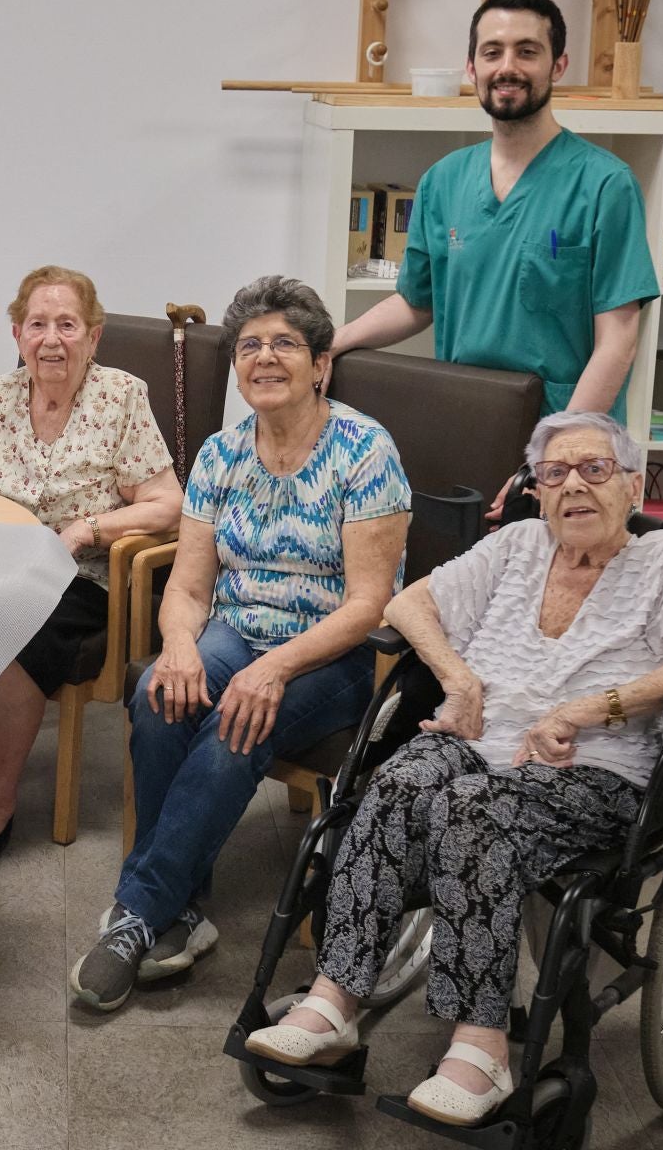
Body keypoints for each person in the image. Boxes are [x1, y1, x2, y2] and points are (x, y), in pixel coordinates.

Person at [244, 411, 663, 1127]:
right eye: (554, 473)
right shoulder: (517, 544)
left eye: (595, 470)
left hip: (591, 765)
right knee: (399, 781)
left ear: (633, 485)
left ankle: (483, 1046)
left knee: (469, 811)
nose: (574, 487)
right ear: (537, 490)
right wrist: (461, 682)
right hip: (482, 735)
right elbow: (407, 604)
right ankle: (335, 1001)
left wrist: (587, 710)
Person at [71, 276, 410, 1011]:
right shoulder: (223, 457)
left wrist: (274, 669)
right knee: (161, 691)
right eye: (249, 345)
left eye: (284, 343)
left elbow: (369, 604)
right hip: (235, 628)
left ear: (320, 363)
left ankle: (136, 915)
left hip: (334, 652)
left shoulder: (364, 451)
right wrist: (182, 648)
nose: (264, 357)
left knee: (236, 724)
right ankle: (180, 913)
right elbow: (190, 590)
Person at [0, 265, 180, 876]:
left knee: (12, 627)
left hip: (80, 576)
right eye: (38, 325)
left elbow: (167, 504)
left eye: (67, 324)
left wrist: (88, 529)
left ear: (94, 335)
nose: (51, 339)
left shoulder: (121, 397)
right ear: (16, 334)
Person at [331, 0, 657, 424]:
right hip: (465, 420)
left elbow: (619, 341)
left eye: (527, 52)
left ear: (557, 65)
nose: (507, 67)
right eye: (492, 52)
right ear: (472, 68)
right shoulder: (443, 181)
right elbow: (416, 302)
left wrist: (557, 449)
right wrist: (336, 341)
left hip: (565, 435)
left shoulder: (605, 186)